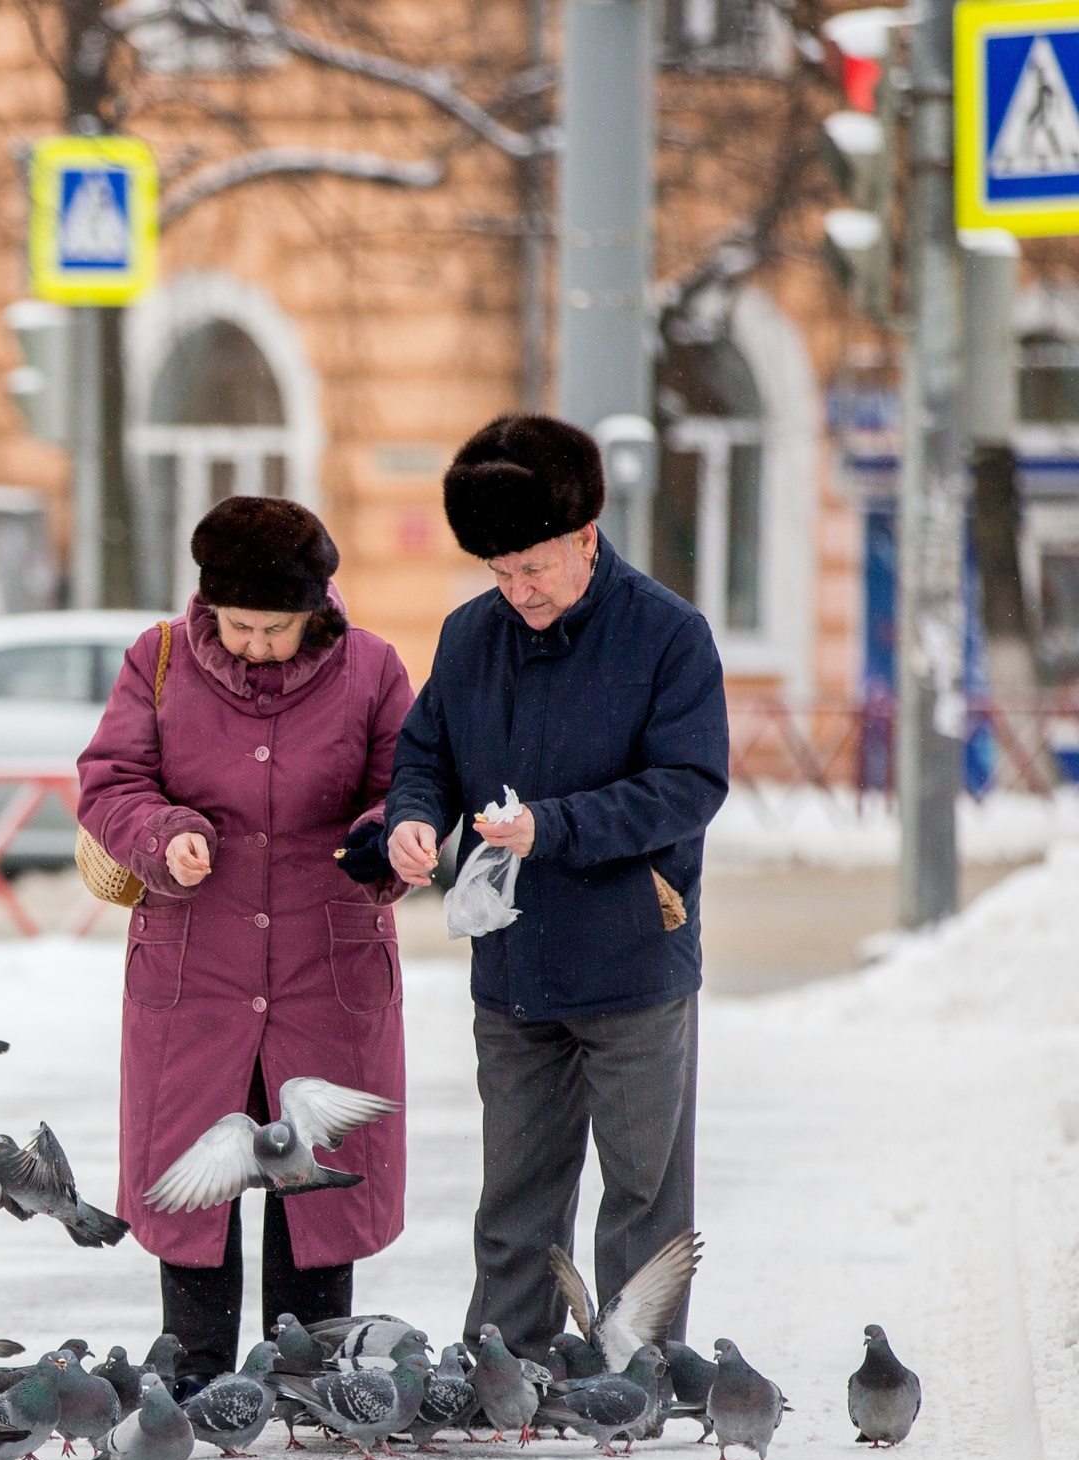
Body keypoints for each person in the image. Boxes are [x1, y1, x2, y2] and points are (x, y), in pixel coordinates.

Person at [383, 414, 728, 1362]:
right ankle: (508, 1364)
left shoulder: (667, 634)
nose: (517, 590)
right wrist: (412, 820)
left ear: (586, 536)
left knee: (644, 1192)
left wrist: (555, 827)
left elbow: (689, 786)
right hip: (516, 965)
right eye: (498, 571)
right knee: (516, 1194)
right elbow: (426, 758)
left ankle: (633, 1372)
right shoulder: (469, 637)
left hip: (634, 960)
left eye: (533, 566)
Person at [78, 496, 415, 1392]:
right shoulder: (156, 662)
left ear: (318, 608)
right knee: (196, 1175)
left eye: (274, 627)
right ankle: (193, 1375)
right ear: (207, 603)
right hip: (197, 969)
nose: (254, 643)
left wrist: (391, 836)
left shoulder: (374, 669)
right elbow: (110, 780)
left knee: (318, 1184)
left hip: (326, 965)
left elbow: (408, 790)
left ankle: (307, 1377)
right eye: (237, 625)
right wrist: (161, 834)